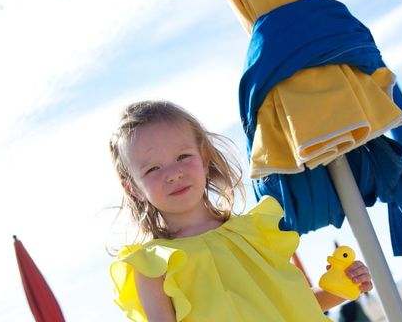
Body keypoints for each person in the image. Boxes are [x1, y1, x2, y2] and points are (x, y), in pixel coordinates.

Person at [108, 100, 373, 321]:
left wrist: (340, 287)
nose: (173, 174)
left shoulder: (256, 232)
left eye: (182, 157)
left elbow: (296, 306)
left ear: (204, 157)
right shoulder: (152, 264)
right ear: (132, 187)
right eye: (152, 169)